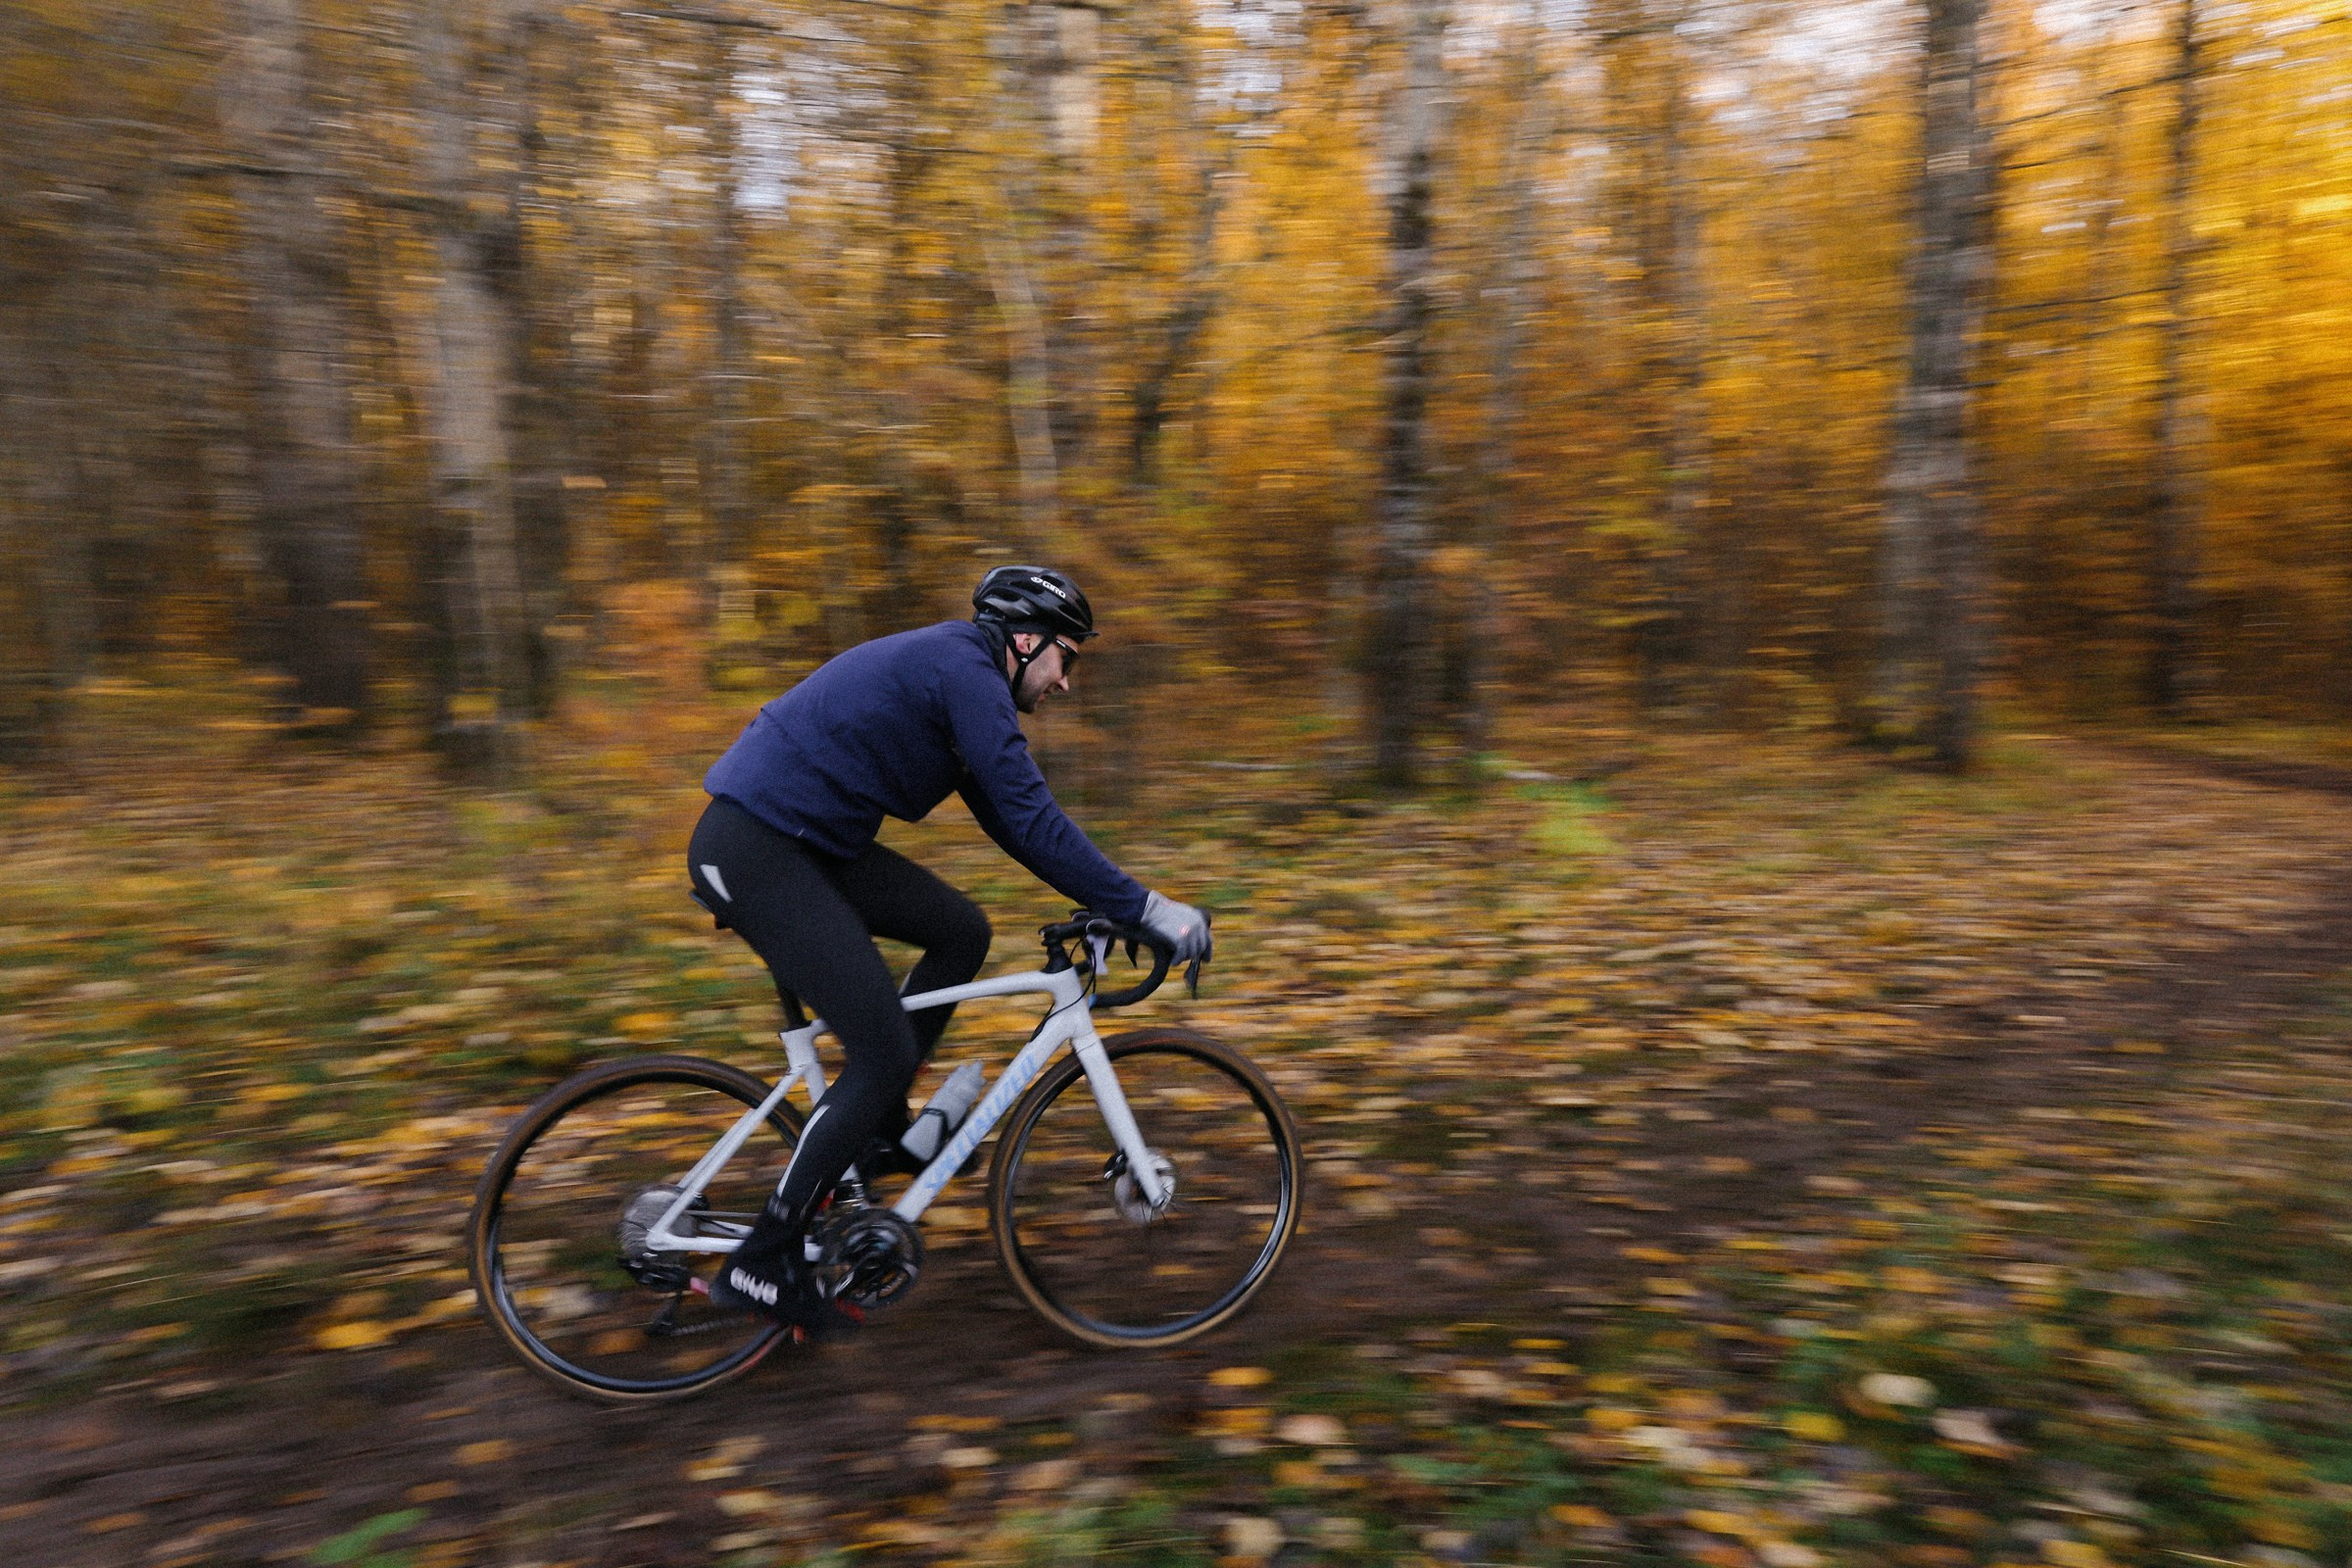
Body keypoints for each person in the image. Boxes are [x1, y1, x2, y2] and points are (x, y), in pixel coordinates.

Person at [685, 564, 1212, 1335]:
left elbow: (1010, 818)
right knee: (882, 1050)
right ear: (1026, 641)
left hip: (800, 841)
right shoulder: (964, 671)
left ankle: (875, 1134)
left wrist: (1108, 901)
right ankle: (762, 1261)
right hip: (759, 849)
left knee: (960, 931)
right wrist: (1146, 907)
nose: (1067, 681)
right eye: (1067, 656)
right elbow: (1032, 819)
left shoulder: (964, 679)